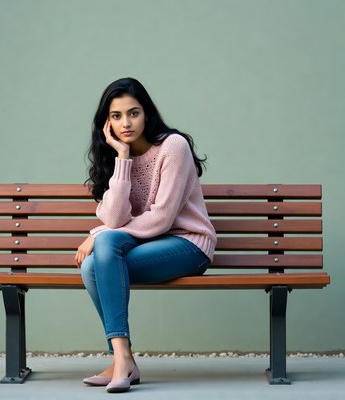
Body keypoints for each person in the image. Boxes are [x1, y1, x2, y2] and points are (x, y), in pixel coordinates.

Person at [74, 77, 217, 393]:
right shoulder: (114, 158)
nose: (126, 123)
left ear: (147, 114)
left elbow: (162, 219)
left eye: (133, 113)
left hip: (188, 245)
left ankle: (121, 361)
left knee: (104, 247)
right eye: (116, 116)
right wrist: (122, 159)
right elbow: (114, 218)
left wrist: (97, 234)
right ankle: (123, 357)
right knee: (89, 266)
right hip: (145, 245)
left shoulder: (173, 146)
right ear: (106, 123)